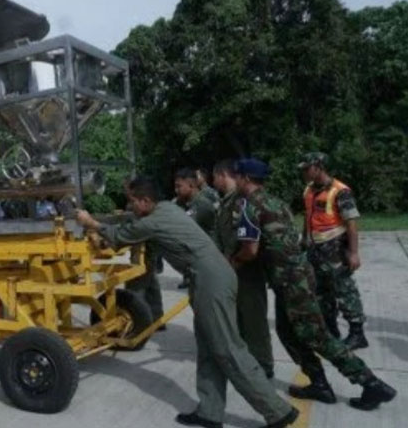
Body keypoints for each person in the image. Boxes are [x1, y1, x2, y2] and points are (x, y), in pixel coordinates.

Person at [77, 176, 297, 428]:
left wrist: (90, 222)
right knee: (207, 345)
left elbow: (120, 234)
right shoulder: (167, 208)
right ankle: (210, 411)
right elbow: (135, 224)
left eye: (133, 202)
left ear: (146, 201)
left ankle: (278, 411)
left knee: (228, 349)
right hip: (210, 276)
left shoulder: (156, 220)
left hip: (210, 280)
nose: (131, 207)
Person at [230, 158, 395, 410]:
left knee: (318, 337)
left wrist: (231, 261)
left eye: (238, 176)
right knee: (288, 333)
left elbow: (250, 251)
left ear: (247, 179)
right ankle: (319, 383)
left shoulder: (250, 207)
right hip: (295, 278)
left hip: (291, 282)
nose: (235, 180)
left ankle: (371, 384)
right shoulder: (276, 202)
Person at [299, 152, 368, 349]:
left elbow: (351, 224)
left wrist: (353, 253)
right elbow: (308, 216)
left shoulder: (340, 191)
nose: (304, 172)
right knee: (321, 292)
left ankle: (357, 334)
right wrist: (304, 240)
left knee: (344, 290)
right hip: (315, 250)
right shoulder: (309, 190)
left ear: (319, 167)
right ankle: (330, 331)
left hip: (335, 250)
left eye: (307, 168)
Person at [212, 160, 273, 378]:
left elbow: (250, 244)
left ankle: (263, 365)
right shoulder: (227, 201)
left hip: (247, 268)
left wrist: (235, 261)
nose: (213, 182)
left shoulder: (245, 201)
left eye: (215, 177)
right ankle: (246, 360)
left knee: (254, 319)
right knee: (237, 318)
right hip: (233, 267)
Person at [174, 168, 217, 289]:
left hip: (207, 259)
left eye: (179, 186)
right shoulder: (180, 203)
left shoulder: (202, 204)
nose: (176, 190)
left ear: (191, 185)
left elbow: (214, 232)